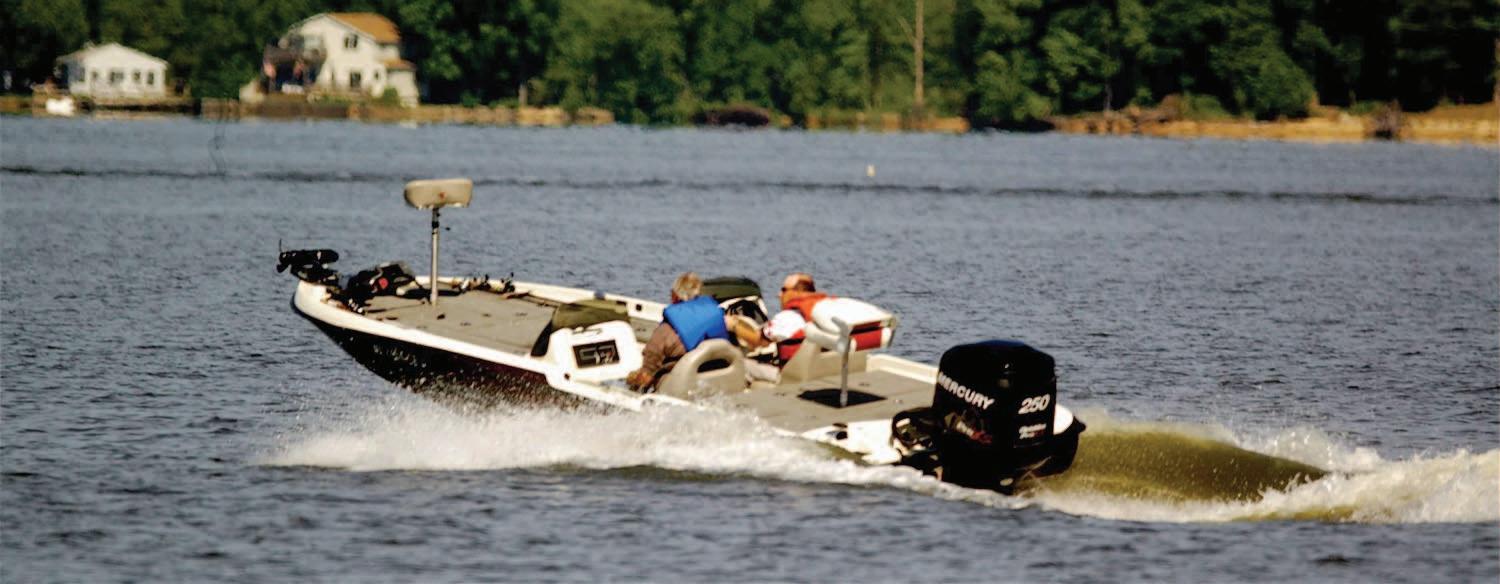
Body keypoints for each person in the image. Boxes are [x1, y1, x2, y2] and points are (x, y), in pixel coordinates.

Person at [626, 272, 733, 391]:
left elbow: (646, 376)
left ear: (675, 296)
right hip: (718, 382)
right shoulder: (720, 321)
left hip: (680, 388)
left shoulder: (665, 332)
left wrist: (631, 380)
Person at [737, 272, 833, 363]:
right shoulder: (829, 311)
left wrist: (734, 324)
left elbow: (757, 340)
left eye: (784, 290)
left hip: (795, 371)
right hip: (826, 369)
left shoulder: (787, 318)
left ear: (797, 292)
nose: (779, 295)